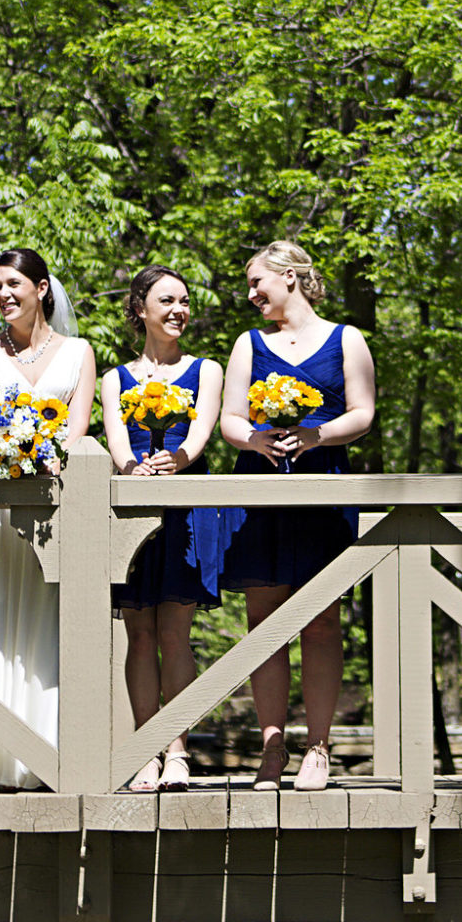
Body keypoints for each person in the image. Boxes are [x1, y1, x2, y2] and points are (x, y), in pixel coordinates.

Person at [0, 247, 96, 788]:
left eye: (13, 284)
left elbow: (77, 429)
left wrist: (51, 457)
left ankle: (43, 753)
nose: (3, 294)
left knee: (48, 618)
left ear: (42, 288)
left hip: (54, 505)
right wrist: (11, 456)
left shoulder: (78, 352)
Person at [219, 240, 375, 791]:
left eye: (256, 280)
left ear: (289, 276)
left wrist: (317, 434)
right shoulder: (249, 344)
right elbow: (230, 420)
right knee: (263, 620)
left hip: (323, 486)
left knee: (322, 619)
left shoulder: (345, 339)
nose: (251, 293)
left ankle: (318, 747)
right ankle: (272, 745)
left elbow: (364, 412)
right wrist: (255, 439)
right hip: (261, 486)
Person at [102, 266, 223, 792]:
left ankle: (177, 752)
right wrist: (134, 469)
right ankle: (143, 750)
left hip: (186, 511)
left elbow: (200, 433)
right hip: (130, 511)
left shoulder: (207, 370)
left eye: (185, 301)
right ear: (140, 309)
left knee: (175, 633)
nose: (179, 310)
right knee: (139, 633)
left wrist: (177, 459)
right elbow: (117, 444)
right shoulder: (115, 378)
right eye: (167, 300)